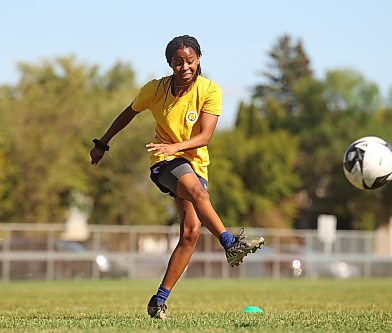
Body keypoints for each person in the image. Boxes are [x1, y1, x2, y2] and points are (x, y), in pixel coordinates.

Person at [89, 35, 264, 320]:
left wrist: (177, 146)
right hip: (164, 161)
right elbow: (128, 113)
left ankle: (158, 301)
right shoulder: (155, 89)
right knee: (199, 194)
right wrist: (102, 144)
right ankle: (231, 243)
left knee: (191, 233)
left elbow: (205, 136)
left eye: (190, 61)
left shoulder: (210, 90)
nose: (184, 67)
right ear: (170, 64)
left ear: (198, 60)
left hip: (194, 162)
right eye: (178, 62)